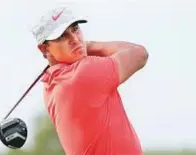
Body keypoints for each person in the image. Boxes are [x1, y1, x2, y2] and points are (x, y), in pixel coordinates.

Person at [32, 5, 149, 155]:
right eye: (62, 36)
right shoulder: (82, 74)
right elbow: (139, 54)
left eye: (75, 29)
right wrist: (90, 45)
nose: (74, 39)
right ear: (44, 49)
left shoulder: (51, 83)